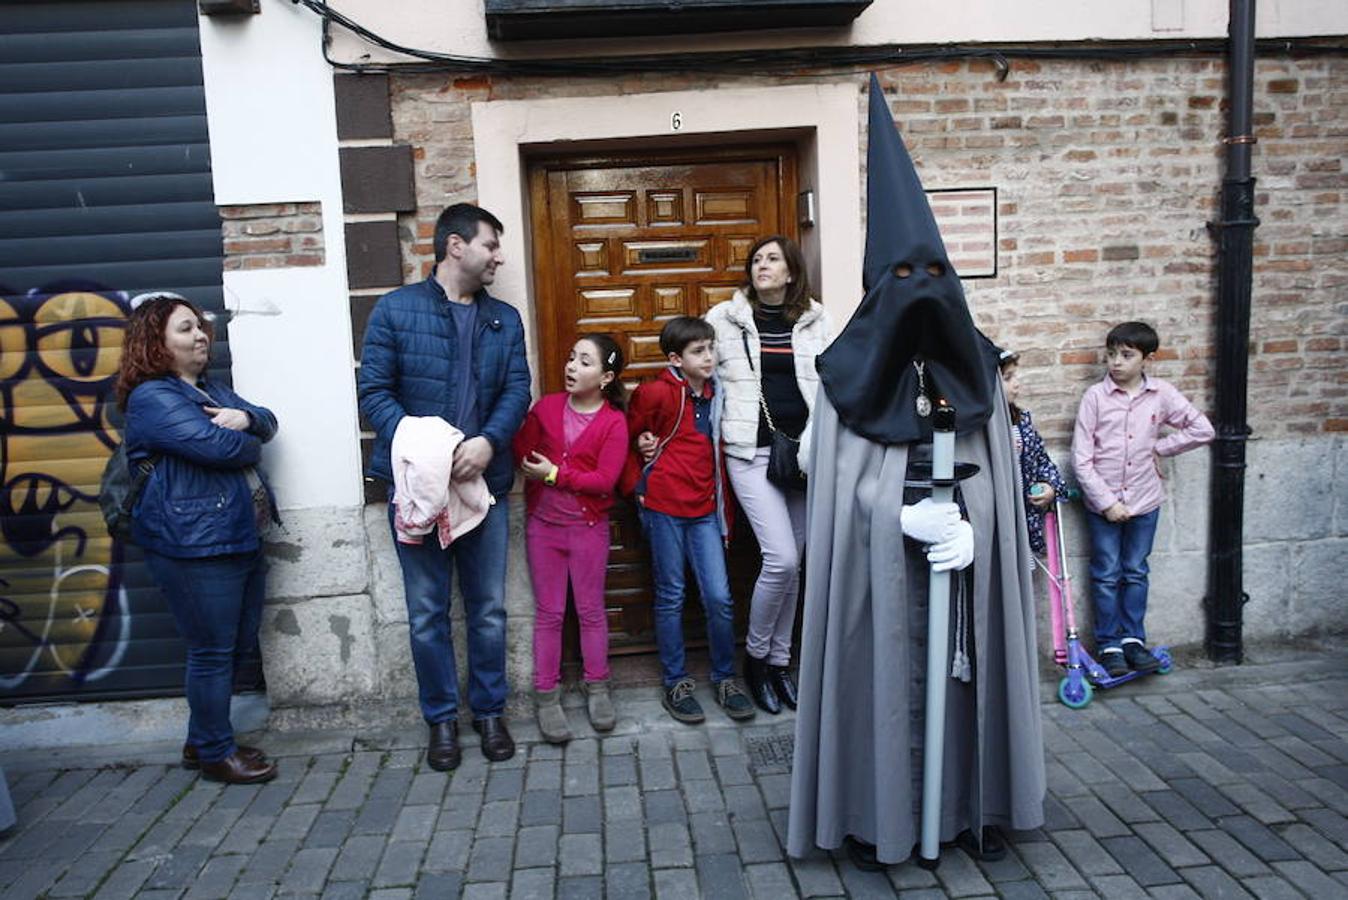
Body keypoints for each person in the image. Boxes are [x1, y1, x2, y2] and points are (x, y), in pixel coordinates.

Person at [789, 74, 1044, 870]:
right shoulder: (844, 375)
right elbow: (827, 481)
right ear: (875, 285)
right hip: (876, 575)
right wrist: (889, 513)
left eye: (933, 274)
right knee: (879, 684)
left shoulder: (977, 366)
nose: (920, 292)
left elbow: (998, 469)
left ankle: (975, 809)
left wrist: (977, 528)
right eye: (901, 277)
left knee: (971, 682)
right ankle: (877, 819)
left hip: (962, 567)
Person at [359, 203, 531, 771]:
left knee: (489, 610)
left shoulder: (504, 319)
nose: (498, 257)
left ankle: (489, 713)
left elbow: (517, 390)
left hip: (486, 484)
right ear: (456, 246)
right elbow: (375, 393)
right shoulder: (395, 310)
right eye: (490, 245)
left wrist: (488, 443)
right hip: (418, 488)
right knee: (428, 612)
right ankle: (440, 721)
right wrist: (430, 450)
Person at [118, 292, 280, 784]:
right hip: (193, 544)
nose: (201, 336)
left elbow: (267, 421)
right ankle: (214, 754)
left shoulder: (212, 389)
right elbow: (219, 448)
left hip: (235, 535)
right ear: (156, 342)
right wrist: (247, 435)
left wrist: (246, 419)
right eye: (186, 328)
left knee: (234, 646)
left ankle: (201, 738)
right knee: (212, 650)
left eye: (200, 326)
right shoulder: (152, 398)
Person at [703, 234, 833, 714]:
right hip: (749, 453)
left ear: (791, 272)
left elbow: (837, 382)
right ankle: (756, 659)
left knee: (796, 562)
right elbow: (697, 372)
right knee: (781, 559)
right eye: (757, 259)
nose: (762, 265)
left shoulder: (817, 321)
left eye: (773, 259)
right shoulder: (724, 319)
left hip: (803, 456)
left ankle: (780, 663)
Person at [622, 316, 755, 725]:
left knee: (718, 597)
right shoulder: (656, 392)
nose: (709, 357)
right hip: (663, 507)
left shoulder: (719, 394)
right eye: (699, 351)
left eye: (711, 348)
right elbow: (631, 436)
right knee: (671, 595)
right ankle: (676, 681)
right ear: (676, 359)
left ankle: (725, 678)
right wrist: (638, 479)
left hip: (705, 511)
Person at [1071, 321, 1214, 679]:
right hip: (1104, 504)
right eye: (1111, 354)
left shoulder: (1161, 394)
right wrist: (1107, 503)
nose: (1116, 362)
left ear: (1148, 359)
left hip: (1145, 499)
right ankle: (1109, 645)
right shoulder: (1095, 398)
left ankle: (1133, 640)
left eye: (1126, 355)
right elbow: (1081, 459)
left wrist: (1160, 447)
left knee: (1135, 571)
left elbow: (1202, 429)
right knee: (1107, 573)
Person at [513, 334, 629, 743]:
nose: (571, 366)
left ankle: (597, 686)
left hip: (587, 530)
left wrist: (554, 474)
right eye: (571, 357)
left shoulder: (613, 422)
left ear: (606, 377)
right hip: (543, 528)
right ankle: (547, 695)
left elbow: (604, 481)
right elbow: (521, 452)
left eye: (584, 361)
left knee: (590, 611)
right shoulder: (546, 408)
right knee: (549, 613)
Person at [998, 349, 1069, 556]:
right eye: (1007, 378)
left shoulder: (1022, 421)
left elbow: (1042, 461)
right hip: (996, 523)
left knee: (1023, 571)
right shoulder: (977, 428)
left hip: (1024, 519)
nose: (1017, 384)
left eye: (1015, 376)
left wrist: (1050, 486)